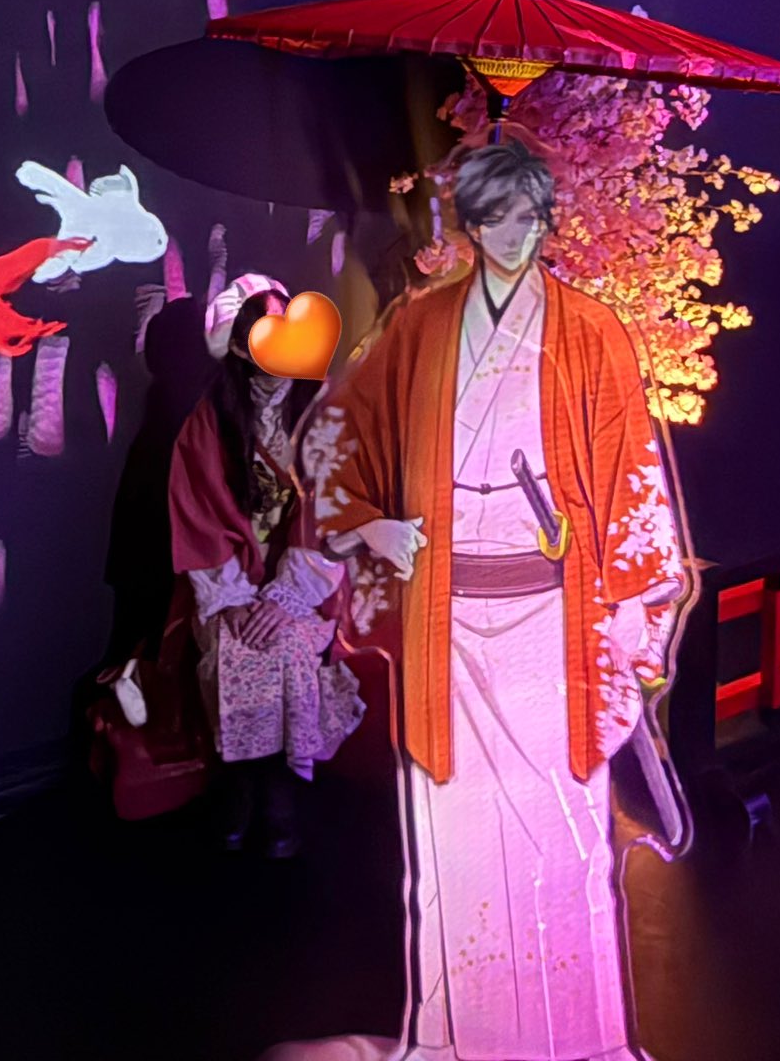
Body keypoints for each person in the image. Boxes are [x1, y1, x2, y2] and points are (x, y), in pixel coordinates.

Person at [300, 139, 690, 1061]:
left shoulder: (591, 331)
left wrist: (631, 600)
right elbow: (338, 430)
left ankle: (578, 1044)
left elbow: (632, 472)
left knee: (562, 835)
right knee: (458, 839)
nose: (516, 234)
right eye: (496, 217)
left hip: (554, 617)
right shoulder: (421, 326)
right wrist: (366, 524)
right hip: (447, 619)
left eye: (529, 216)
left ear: (548, 220)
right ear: (469, 226)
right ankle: (459, 1041)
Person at [169, 273, 364, 857]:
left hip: (309, 583)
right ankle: (239, 784)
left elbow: (337, 507)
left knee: (289, 645)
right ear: (239, 345)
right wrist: (234, 599)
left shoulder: (325, 413)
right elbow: (198, 513)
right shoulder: (209, 420)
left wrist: (287, 597)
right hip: (226, 580)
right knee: (234, 645)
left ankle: (280, 790)